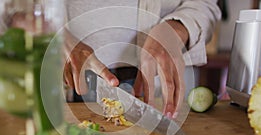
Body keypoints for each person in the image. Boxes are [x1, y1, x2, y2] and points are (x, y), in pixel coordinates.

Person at [63, 0, 221, 118]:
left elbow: (205, 3)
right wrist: (56, 38)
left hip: (160, 76)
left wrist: (176, 29)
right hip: (66, 78)